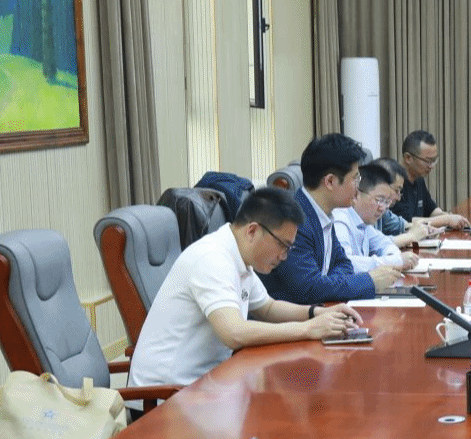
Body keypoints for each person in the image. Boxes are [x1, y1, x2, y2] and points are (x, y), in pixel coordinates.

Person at [128, 187, 360, 390]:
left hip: (207, 384)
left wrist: (318, 312)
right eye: (283, 245)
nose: (284, 256)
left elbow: (268, 308)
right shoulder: (212, 258)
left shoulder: (238, 257)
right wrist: (308, 329)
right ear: (252, 231)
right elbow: (234, 333)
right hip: (166, 396)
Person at [264, 134, 402, 304]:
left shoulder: (324, 213)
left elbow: (343, 263)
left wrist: (329, 282)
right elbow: (308, 288)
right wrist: (369, 281)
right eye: (355, 178)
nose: (358, 186)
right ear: (330, 181)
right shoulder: (294, 220)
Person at [332, 161, 416, 275]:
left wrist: (394, 258)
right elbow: (346, 263)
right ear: (356, 195)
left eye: (386, 202)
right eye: (379, 200)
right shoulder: (340, 220)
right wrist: (394, 261)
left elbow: (385, 244)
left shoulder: (363, 223)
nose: (383, 208)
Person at [389, 130, 470, 229]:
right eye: (427, 161)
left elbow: (431, 210)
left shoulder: (418, 178)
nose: (431, 166)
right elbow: (406, 223)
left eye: (434, 160)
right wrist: (447, 219)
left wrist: (449, 216)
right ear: (408, 158)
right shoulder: (393, 184)